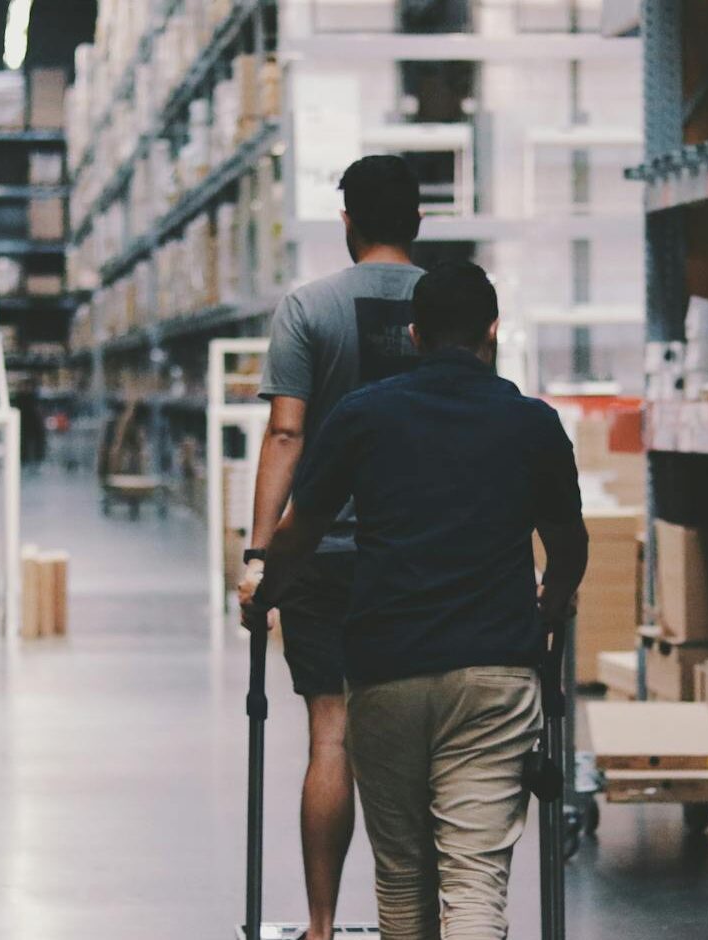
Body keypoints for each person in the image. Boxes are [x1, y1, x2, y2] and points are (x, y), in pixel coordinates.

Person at [246, 261, 590, 940]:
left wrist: (266, 591)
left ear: (413, 333)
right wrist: (550, 602)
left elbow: (300, 532)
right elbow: (569, 546)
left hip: (387, 670)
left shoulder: (362, 417)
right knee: (473, 881)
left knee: (403, 879)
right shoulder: (533, 423)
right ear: (494, 330)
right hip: (495, 670)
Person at [238, 154, 427, 940]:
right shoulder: (452, 303)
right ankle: (414, 922)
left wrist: (258, 558)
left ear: (346, 221)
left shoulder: (308, 307)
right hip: (419, 553)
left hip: (322, 553)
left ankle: (320, 926)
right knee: (420, 739)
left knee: (332, 732)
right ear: (417, 221)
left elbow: (287, 430)